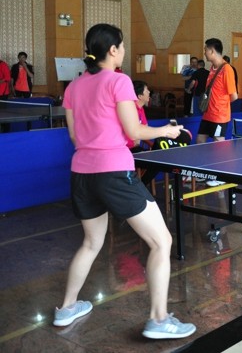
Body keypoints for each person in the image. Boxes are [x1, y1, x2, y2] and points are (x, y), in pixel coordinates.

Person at [56, 23, 195, 338]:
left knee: (91, 243)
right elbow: (134, 132)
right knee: (161, 241)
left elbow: (76, 137)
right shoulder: (119, 81)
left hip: (81, 173)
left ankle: (66, 308)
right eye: (122, 46)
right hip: (114, 172)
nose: (123, 50)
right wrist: (167, 131)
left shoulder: (73, 87)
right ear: (113, 50)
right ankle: (159, 319)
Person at [196, 38, 238, 143]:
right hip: (207, 114)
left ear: (212, 51)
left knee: (218, 142)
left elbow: (234, 96)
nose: (204, 53)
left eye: (205, 50)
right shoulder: (212, 67)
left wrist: (220, 105)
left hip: (219, 116)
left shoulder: (227, 69)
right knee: (200, 141)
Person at [126, 80, 151, 153]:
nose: (149, 92)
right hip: (126, 149)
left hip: (135, 148)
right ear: (140, 96)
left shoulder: (141, 108)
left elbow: (145, 130)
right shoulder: (130, 109)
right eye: (146, 90)